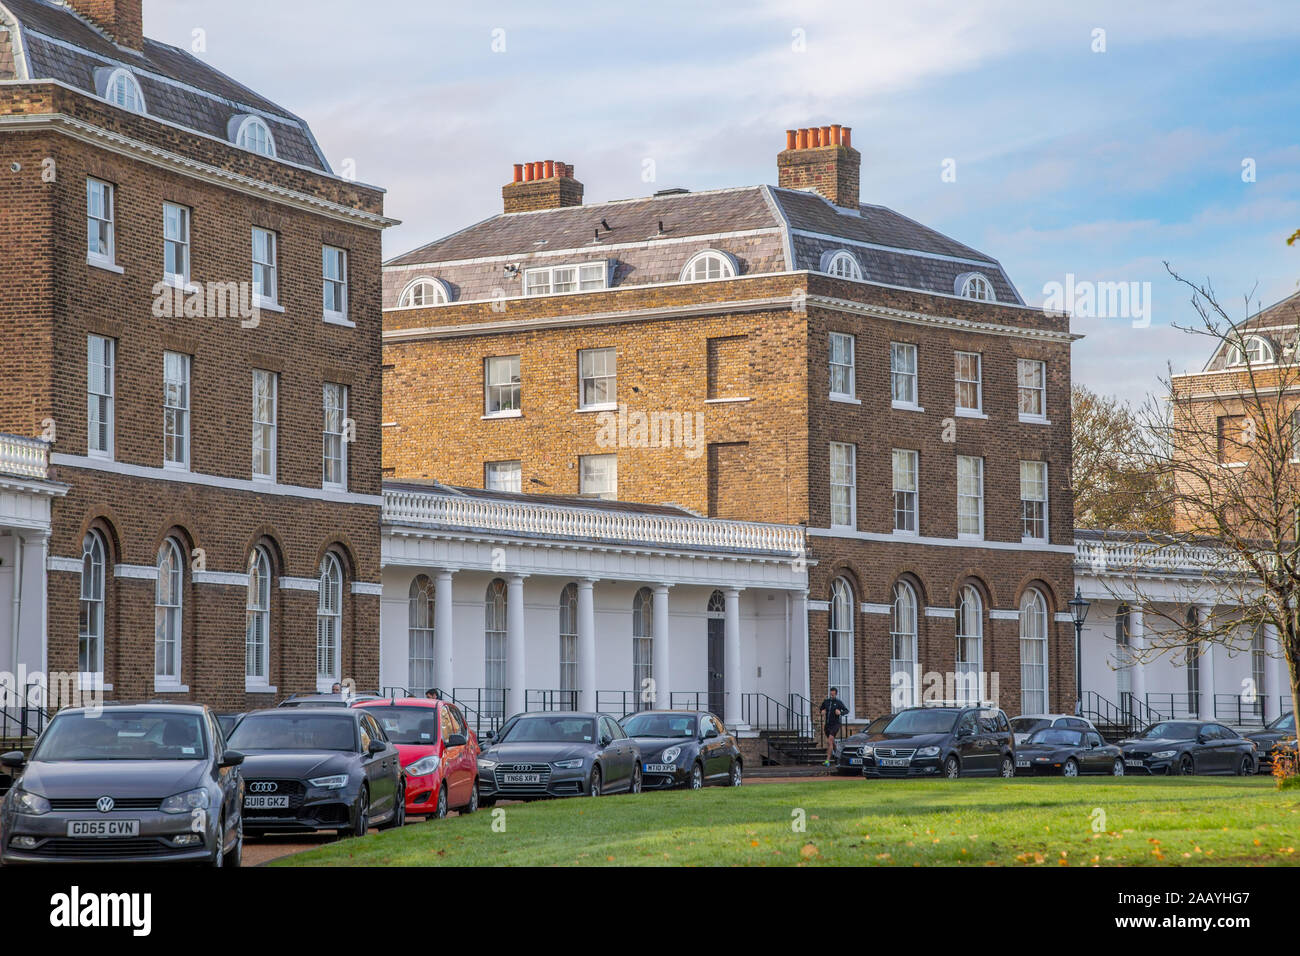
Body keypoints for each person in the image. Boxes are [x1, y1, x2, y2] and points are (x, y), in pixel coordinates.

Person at [819, 687, 849, 766]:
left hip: (835, 724)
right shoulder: (826, 702)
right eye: (831, 694)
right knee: (832, 742)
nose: (831, 695)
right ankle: (838, 757)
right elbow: (821, 709)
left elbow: (846, 710)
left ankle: (827, 761)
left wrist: (840, 713)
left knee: (829, 741)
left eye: (833, 694)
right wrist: (822, 711)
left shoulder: (838, 702)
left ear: (836, 694)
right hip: (827, 725)